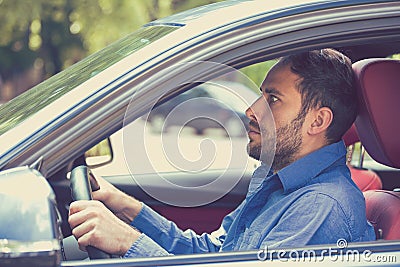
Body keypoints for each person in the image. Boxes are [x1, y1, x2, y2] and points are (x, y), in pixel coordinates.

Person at [68, 49, 376, 258]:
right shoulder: (278, 182)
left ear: (318, 121)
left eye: (273, 99)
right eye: (260, 95)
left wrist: (126, 241)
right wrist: (127, 208)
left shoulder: (322, 208)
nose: (251, 111)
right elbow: (214, 254)